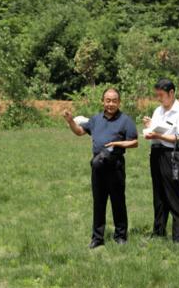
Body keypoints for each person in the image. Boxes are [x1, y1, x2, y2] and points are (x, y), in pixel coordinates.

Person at [62, 88, 138, 249]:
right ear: (103, 101)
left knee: (118, 202)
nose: (111, 104)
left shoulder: (126, 120)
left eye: (114, 100)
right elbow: (79, 131)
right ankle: (97, 238)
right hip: (98, 166)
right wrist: (70, 121)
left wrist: (117, 144)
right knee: (99, 203)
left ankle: (120, 236)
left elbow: (134, 142)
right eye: (108, 100)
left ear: (119, 102)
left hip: (115, 165)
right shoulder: (96, 119)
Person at [143, 78, 179, 243]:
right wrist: (150, 126)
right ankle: (158, 231)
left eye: (161, 95)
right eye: (157, 95)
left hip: (171, 155)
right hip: (156, 153)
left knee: (174, 195)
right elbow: (156, 130)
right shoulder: (158, 111)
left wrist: (158, 135)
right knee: (158, 194)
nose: (159, 98)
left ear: (171, 93)